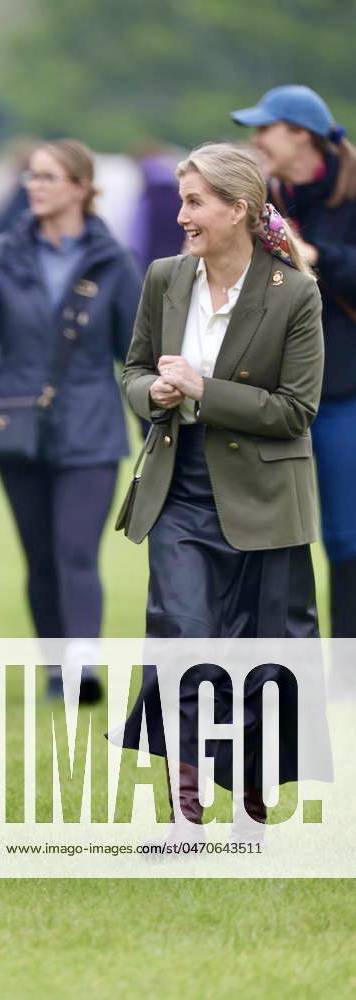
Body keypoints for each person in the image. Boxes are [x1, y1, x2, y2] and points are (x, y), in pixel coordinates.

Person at [117, 142, 324, 843]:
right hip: (178, 492)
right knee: (183, 638)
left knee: (265, 653)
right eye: (181, 200)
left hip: (266, 499)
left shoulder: (292, 293)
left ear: (238, 209)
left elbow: (295, 410)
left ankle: (252, 814)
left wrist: (207, 390)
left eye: (195, 202)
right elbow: (134, 370)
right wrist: (155, 391)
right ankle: (183, 816)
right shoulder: (163, 278)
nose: (181, 216)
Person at [0, 139, 142, 702]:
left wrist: (155, 430)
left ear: (80, 187)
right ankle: (55, 665)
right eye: (31, 176)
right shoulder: (1, 254)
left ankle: (82, 662)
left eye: (49, 177)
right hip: (18, 426)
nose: (35, 186)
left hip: (92, 426)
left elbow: (136, 354)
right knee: (39, 555)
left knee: (76, 547)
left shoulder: (115, 261)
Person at [230, 86, 356, 647]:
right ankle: (281, 670)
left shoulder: (348, 199)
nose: (256, 140)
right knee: (273, 535)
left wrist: (311, 251)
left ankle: (348, 677)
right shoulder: (262, 198)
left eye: (266, 128)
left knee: (346, 537)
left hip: (344, 391)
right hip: (272, 391)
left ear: (300, 133)